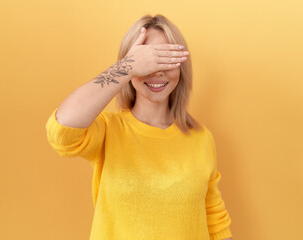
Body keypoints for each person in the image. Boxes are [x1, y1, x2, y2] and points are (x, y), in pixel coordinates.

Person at [46, 14, 233, 240]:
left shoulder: (201, 138)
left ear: (181, 66)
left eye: (165, 58)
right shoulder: (108, 130)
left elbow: (214, 218)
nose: (157, 71)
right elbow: (62, 131)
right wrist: (127, 67)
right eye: (148, 60)